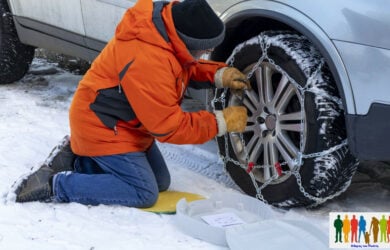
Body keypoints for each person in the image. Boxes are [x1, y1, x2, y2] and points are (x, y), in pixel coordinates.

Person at [15, 0, 250, 207]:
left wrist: (218, 75)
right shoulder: (148, 60)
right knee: (143, 192)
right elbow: (169, 127)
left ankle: (78, 160)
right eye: (205, 49)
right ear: (187, 41)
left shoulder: (165, 31)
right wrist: (221, 122)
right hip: (102, 126)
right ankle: (56, 183)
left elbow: (181, 66)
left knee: (160, 182)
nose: (208, 52)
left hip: (127, 124)